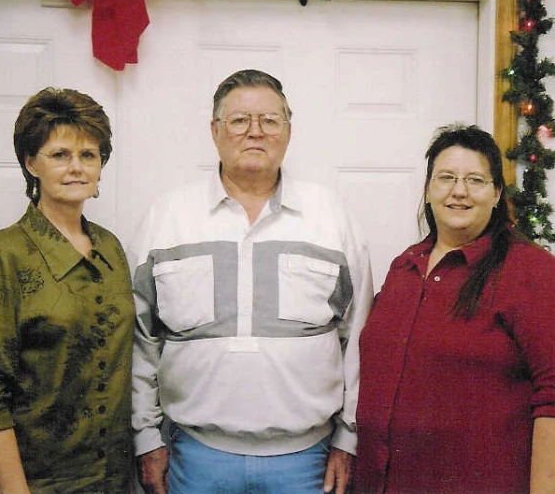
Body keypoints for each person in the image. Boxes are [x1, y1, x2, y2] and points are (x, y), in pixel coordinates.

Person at [129, 69, 374, 494]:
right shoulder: (166, 220)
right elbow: (139, 340)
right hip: (196, 458)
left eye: (270, 120)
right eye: (239, 120)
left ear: (289, 131)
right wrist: (146, 439)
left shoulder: (331, 217)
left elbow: (360, 339)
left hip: (307, 461)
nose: (255, 132)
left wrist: (348, 439)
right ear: (215, 131)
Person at [354, 124, 555, 494]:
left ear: (496, 194)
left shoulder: (535, 275)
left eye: (475, 179)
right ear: (427, 189)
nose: (459, 190)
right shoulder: (404, 267)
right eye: (446, 178)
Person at [0, 87, 135, 493]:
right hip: (31, 482)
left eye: (88, 155)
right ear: (30, 162)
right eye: (60, 155)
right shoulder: (1, 255)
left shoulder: (111, 248)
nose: (76, 167)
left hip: (110, 480)